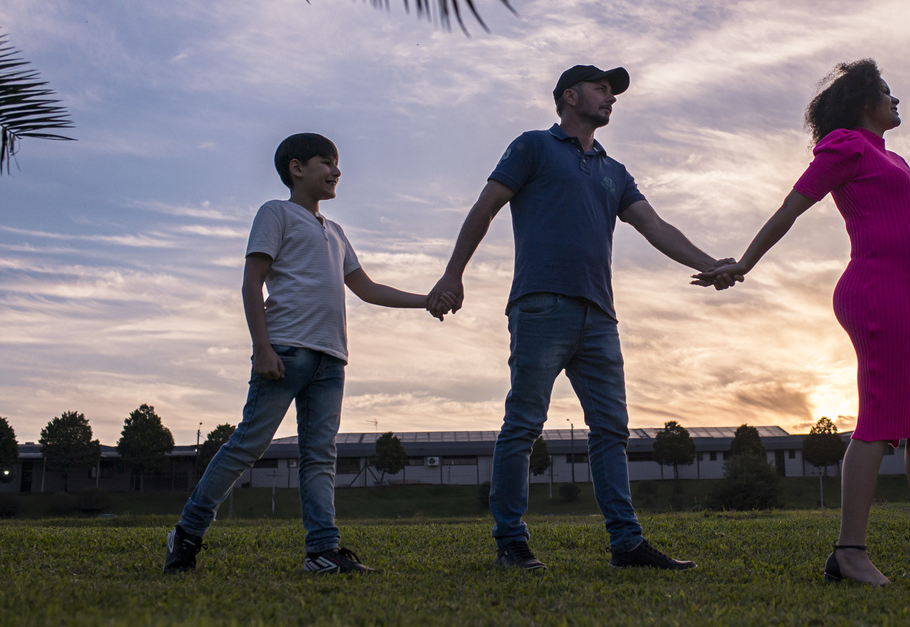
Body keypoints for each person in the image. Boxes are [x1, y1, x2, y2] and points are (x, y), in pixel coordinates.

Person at [429, 64, 736, 571]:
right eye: (601, 88)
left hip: (599, 314)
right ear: (570, 95)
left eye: (613, 92)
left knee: (611, 429)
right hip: (540, 304)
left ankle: (627, 544)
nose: (611, 97)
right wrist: (452, 275)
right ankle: (511, 540)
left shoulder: (614, 171)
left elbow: (654, 225)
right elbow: (484, 208)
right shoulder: (532, 146)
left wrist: (710, 264)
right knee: (524, 425)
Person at [694, 59, 910, 585]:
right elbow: (792, 206)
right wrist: (745, 263)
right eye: (887, 92)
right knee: (878, 419)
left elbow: (903, 219)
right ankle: (849, 553)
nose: (897, 101)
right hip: (878, 296)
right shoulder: (845, 145)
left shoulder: (895, 162)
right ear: (861, 104)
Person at [164, 133, 434, 575]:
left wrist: (426, 300)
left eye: (337, 164)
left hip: (332, 360)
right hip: (286, 351)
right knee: (247, 446)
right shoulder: (276, 213)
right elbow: (252, 283)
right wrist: (262, 348)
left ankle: (322, 551)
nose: (336, 171)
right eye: (326, 162)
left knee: (320, 456)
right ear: (296, 168)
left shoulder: (336, 232)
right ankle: (187, 534)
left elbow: (366, 289)